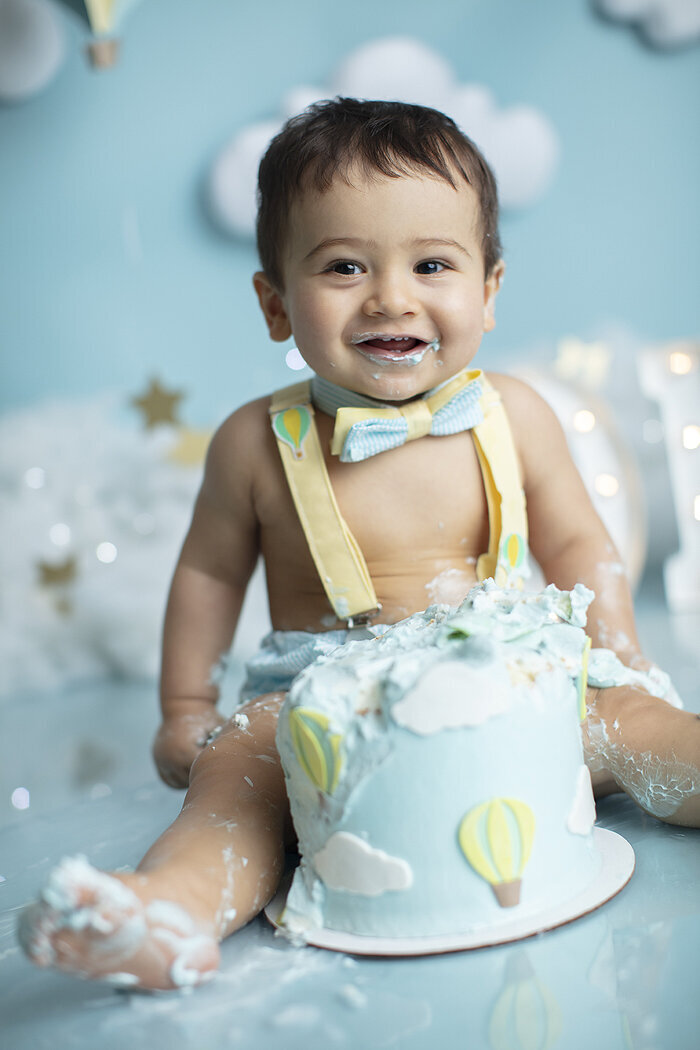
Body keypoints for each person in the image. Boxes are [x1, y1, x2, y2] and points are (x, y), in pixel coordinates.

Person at [18, 98, 700, 991]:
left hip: (514, 671)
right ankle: (168, 909)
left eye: (431, 264)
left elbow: (578, 540)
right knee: (239, 787)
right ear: (274, 303)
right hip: (314, 691)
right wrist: (187, 706)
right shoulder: (253, 444)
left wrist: (619, 651)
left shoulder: (516, 415)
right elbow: (208, 573)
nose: (391, 296)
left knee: (638, 729)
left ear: (488, 291)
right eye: (344, 265)